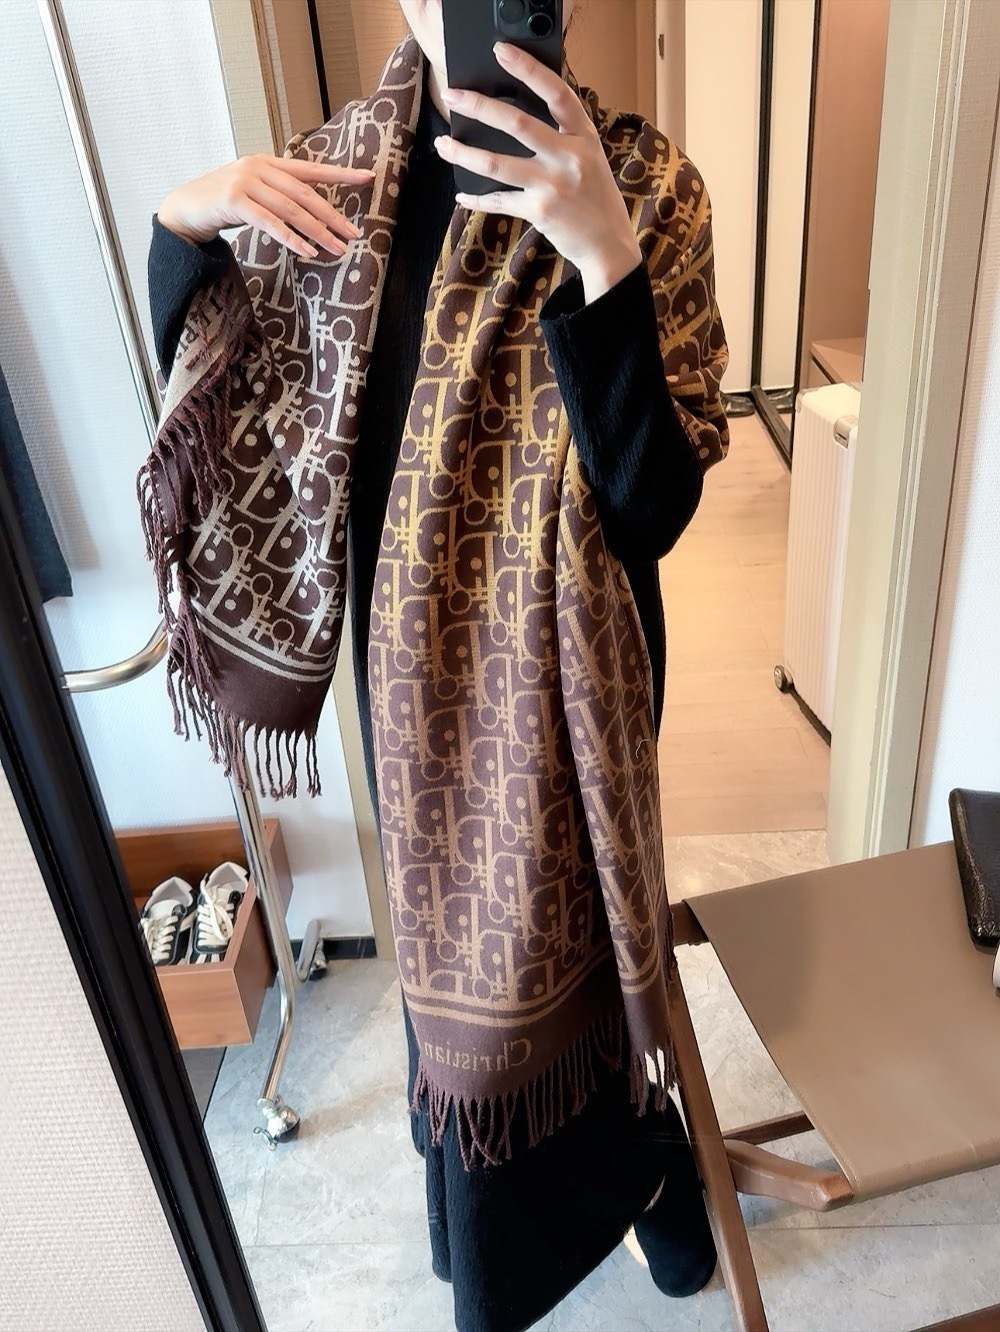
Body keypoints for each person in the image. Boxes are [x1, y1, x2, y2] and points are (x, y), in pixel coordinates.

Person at [148, 3, 728, 1329]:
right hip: (414, 712)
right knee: (458, 991)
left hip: (587, 687)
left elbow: (652, 506)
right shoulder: (332, 185)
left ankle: (649, 1164)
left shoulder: (647, 184)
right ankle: (549, 1215)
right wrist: (183, 228)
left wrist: (605, 259)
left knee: (610, 938)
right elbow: (225, 411)